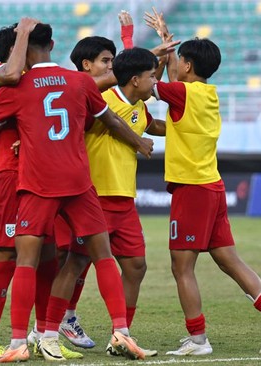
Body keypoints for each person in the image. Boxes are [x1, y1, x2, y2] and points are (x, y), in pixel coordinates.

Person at [0, 23, 152, 362]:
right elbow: (111, 120)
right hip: (78, 182)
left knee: (27, 262)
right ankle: (121, 331)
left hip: (37, 183)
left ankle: (18, 343)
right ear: (53, 45)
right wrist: (139, 142)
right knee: (101, 255)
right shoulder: (80, 81)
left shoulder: (14, 86)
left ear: (22, 47)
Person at [145, 10, 261, 356]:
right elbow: (172, 81)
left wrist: (155, 51)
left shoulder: (181, 94)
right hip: (212, 186)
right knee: (229, 259)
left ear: (188, 65)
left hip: (191, 188)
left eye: (179, 60)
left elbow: (145, 83)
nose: (176, 64)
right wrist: (169, 42)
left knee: (181, 268)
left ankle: (198, 340)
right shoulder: (205, 93)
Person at [0, 19, 83, 362]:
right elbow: (10, 74)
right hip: (8, 177)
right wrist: (22, 34)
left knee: (48, 260)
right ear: (14, 52)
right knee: (7, 259)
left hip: (38, 180)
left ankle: (42, 335)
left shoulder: (37, 84)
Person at [49, 47, 164, 359]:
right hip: (94, 197)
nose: (156, 82)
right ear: (135, 79)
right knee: (75, 263)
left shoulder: (141, 107)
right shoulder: (101, 100)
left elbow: (159, 126)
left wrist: (193, 127)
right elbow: (77, 126)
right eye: (152, 76)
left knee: (136, 265)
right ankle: (50, 327)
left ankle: (120, 334)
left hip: (124, 198)